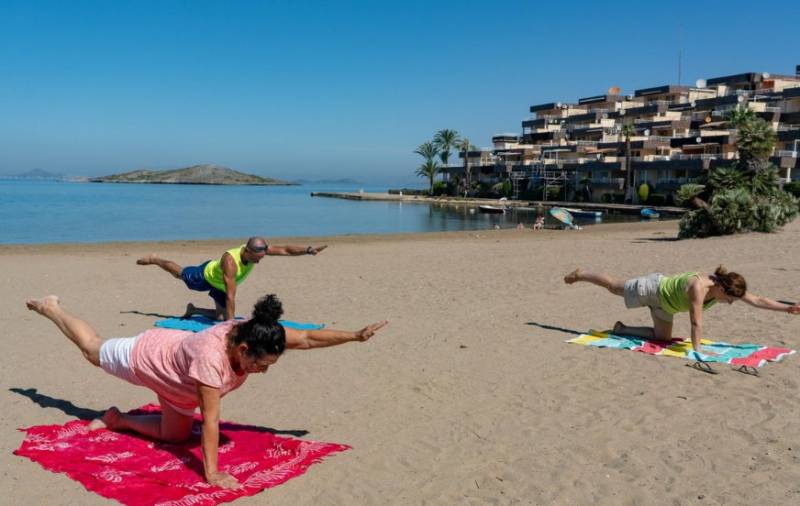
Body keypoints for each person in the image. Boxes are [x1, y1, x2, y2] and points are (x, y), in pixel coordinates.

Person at [25, 294, 387, 490]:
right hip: (147, 358)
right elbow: (210, 421)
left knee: (175, 436)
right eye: (260, 366)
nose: (261, 373)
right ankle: (52, 307)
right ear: (243, 351)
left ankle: (116, 419)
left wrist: (354, 336)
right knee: (92, 349)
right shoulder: (211, 362)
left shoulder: (259, 333)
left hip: (177, 387)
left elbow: (307, 337)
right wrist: (212, 474)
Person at [564, 266, 800, 354]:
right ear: (720, 287)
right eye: (728, 300)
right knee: (614, 287)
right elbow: (696, 323)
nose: (729, 303)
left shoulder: (728, 287)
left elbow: (758, 300)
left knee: (662, 339)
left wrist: (787, 308)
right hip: (652, 289)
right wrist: (697, 351)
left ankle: (622, 329)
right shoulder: (699, 287)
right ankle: (581, 274)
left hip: (665, 306)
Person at [136, 237, 327, 321]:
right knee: (180, 274)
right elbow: (230, 296)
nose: (258, 262)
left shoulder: (258, 250)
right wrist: (231, 325)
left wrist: (308, 250)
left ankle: (193, 309)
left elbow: (285, 250)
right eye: (256, 259)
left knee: (220, 317)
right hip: (206, 276)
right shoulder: (231, 262)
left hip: (222, 285)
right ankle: (156, 259)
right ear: (248, 251)